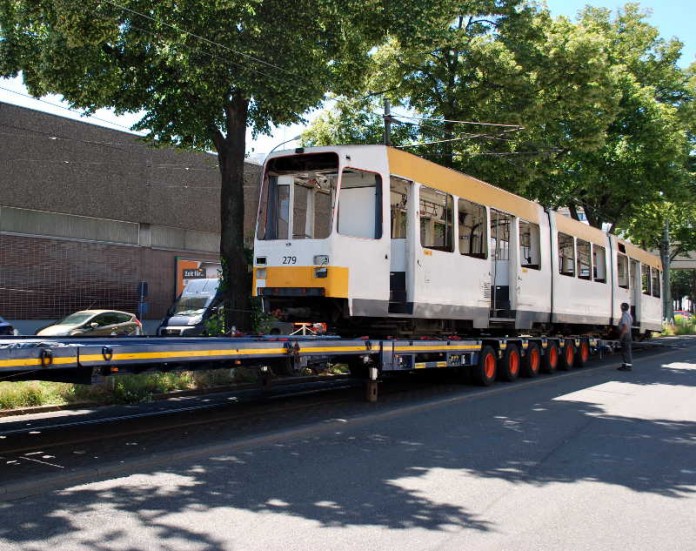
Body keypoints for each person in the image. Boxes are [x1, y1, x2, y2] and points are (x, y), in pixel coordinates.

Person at [617, 302, 633, 371]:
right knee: (626, 351)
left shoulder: (625, 316)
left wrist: (621, 336)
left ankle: (627, 366)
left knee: (625, 351)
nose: (620, 308)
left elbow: (625, 328)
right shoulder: (629, 315)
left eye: (621, 306)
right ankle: (625, 365)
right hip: (628, 334)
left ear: (623, 307)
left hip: (625, 335)